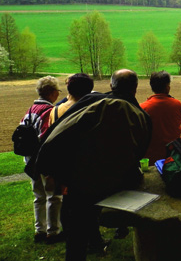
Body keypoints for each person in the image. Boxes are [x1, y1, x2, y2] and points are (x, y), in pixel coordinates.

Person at [35, 69, 152, 261]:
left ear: (111, 86)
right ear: (135, 88)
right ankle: (113, 234)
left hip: (81, 181)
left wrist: (51, 168)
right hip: (118, 182)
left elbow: (60, 133)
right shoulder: (138, 114)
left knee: (76, 238)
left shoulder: (90, 104)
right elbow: (140, 149)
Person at [21, 76, 62, 244]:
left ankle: (40, 230)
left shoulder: (31, 109)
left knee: (38, 195)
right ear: (52, 93)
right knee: (54, 196)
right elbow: (47, 138)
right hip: (44, 160)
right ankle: (53, 232)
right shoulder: (49, 111)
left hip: (30, 159)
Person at [140, 71, 181, 165]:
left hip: (151, 157)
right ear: (167, 87)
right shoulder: (176, 104)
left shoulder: (143, 107)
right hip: (173, 155)